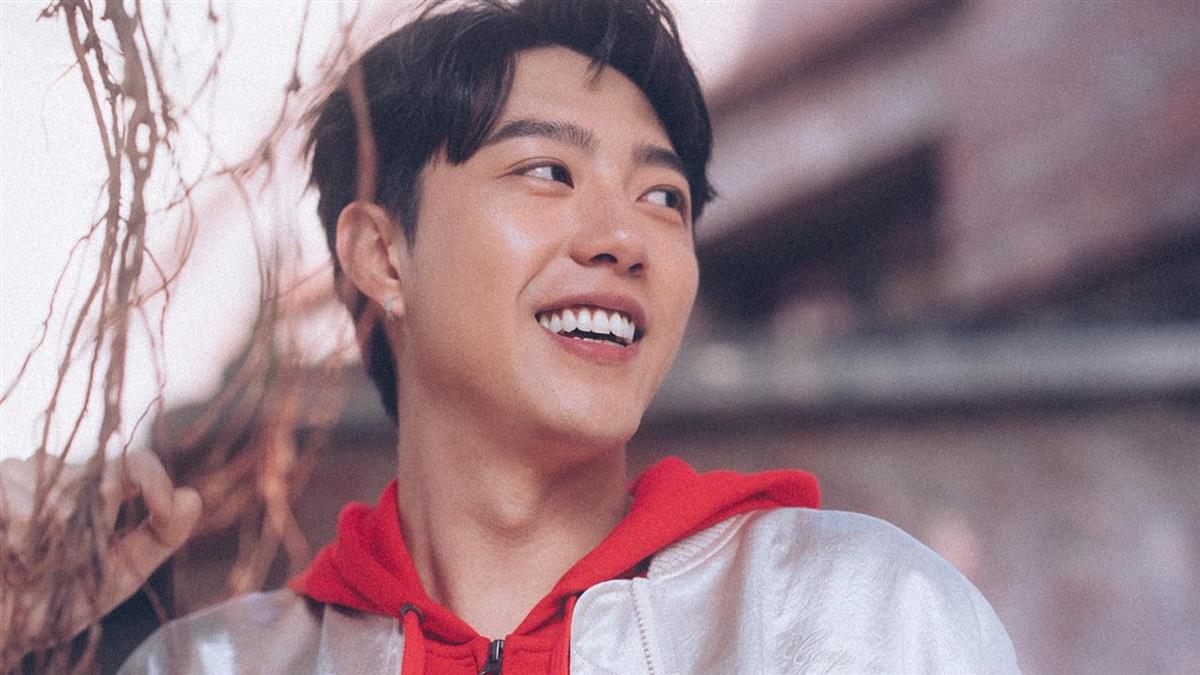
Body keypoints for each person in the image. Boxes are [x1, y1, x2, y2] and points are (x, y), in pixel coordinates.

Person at [8, 0, 1020, 672]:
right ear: (382, 256)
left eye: (663, 197)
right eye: (548, 172)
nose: (624, 238)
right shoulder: (211, 664)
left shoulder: (863, 620)